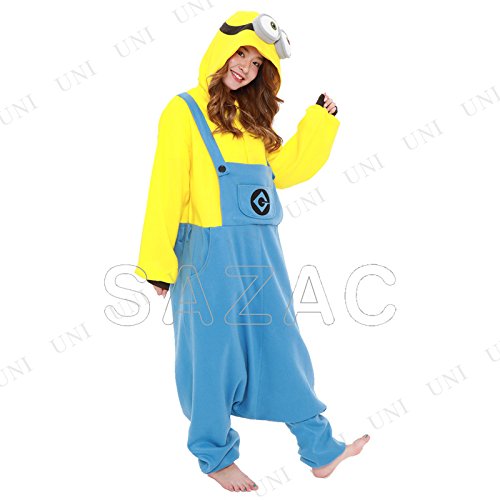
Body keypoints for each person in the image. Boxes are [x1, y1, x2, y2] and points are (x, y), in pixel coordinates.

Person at [134, 10, 370, 493]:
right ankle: (215, 455)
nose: (246, 67)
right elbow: (166, 188)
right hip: (206, 251)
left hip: (262, 250)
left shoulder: (251, 120)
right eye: (241, 53)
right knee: (211, 353)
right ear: (222, 52)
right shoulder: (183, 110)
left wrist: (319, 123)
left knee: (282, 344)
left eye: (258, 62)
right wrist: (158, 263)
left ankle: (321, 449)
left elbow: (284, 171)